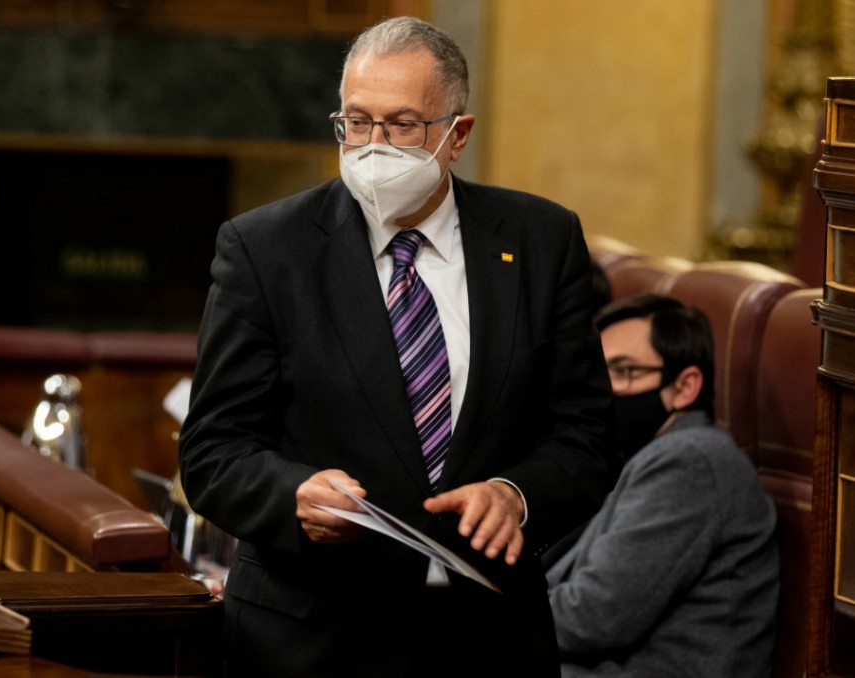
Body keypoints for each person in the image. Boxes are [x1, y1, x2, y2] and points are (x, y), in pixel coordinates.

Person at [178, 15, 619, 677]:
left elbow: (587, 435)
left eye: (403, 124)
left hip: (488, 639)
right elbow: (213, 451)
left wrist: (515, 494)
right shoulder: (266, 250)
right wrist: (293, 493)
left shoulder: (540, 241)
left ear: (458, 134)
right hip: (310, 641)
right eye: (357, 122)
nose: (374, 145)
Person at [546, 293, 779, 677]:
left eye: (624, 372)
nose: (602, 391)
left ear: (685, 386)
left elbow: (597, 616)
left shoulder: (690, 459)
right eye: (596, 373)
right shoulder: (639, 455)